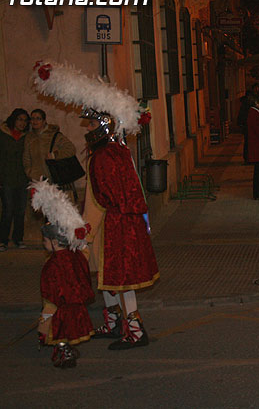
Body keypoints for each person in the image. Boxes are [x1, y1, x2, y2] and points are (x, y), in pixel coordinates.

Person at [32, 60, 160, 351]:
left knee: (121, 281)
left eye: (91, 123)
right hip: (114, 225)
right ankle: (115, 323)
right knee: (106, 278)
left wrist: (84, 231)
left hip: (114, 226)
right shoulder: (113, 152)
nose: (87, 128)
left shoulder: (104, 156)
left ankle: (136, 331)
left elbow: (100, 199)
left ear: (104, 125)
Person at [30, 179, 94, 369]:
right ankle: (67, 349)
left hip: (61, 308)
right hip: (77, 305)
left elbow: (50, 291)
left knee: (60, 332)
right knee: (71, 329)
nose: (44, 244)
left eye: (45, 241)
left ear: (54, 241)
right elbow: (84, 261)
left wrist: (46, 317)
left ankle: (63, 351)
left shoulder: (53, 265)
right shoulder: (76, 256)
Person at [0, 108, 30, 251]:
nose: (22, 123)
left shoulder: (27, 137)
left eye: (25, 120)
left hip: (23, 179)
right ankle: (3, 240)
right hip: (6, 178)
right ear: (13, 119)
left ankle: (18, 238)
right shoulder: (3, 134)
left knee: (20, 211)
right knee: (7, 210)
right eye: (19, 119)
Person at [23, 109, 76, 182]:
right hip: (37, 180)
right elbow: (26, 158)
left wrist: (55, 155)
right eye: (32, 118)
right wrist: (29, 173)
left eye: (38, 118)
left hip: (55, 178)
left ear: (44, 121)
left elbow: (71, 149)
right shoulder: (29, 138)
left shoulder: (54, 135)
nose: (35, 121)